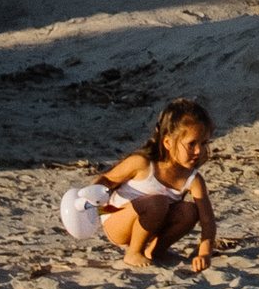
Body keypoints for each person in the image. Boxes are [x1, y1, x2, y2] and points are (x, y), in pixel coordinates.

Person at [93, 97, 220, 272]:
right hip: (116, 220)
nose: (199, 151)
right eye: (191, 144)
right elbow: (107, 179)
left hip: (151, 225)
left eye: (204, 143)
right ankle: (133, 253)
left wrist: (204, 253)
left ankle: (155, 251)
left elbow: (208, 221)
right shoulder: (143, 164)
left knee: (190, 211)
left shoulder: (193, 179)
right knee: (158, 202)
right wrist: (92, 197)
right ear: (167, 142)